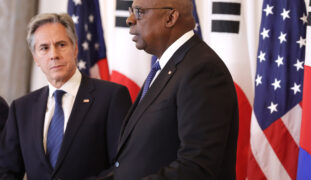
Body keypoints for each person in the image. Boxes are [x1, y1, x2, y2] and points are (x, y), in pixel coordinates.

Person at [110, 0, 238, 179]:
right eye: (131, 10)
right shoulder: (165, 68)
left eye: (139, 12)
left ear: (170, 18)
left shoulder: (202, 70)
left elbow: (197, 167)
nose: (129, 19)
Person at [0, 13, 132, 180]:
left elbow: (124, 164)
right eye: (44, 48)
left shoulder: (111, 97)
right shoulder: (21, 109)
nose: (54, 55)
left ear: (75, 49)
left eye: (61, 44)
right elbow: (6, 171)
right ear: (36, 58)